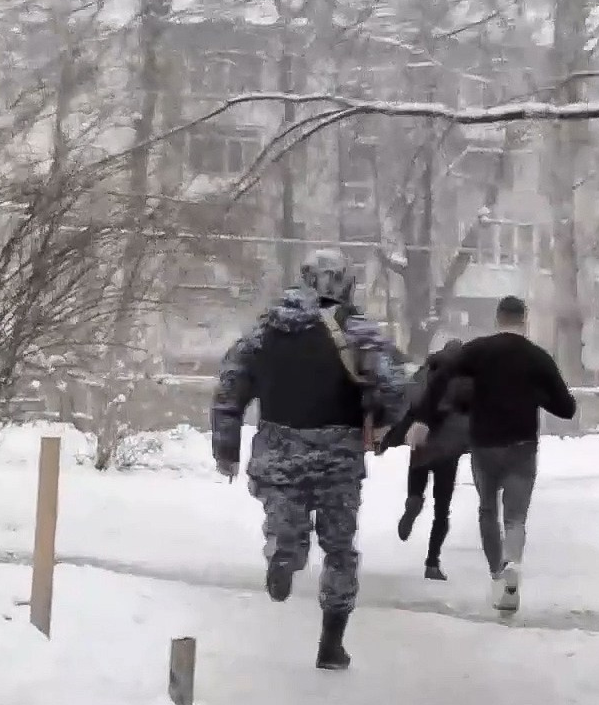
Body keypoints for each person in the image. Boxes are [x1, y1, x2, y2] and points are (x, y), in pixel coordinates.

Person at [209, 249, 406, 670]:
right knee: (339, 550)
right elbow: (393, 386)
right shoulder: (357, 330)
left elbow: (229, 388)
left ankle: (284, 551)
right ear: (345, 282)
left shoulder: (265, 330)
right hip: (338, 458)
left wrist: (226, 447)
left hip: (279, 453)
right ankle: (331, 645)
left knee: (286, 520)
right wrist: (381, 421)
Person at [415, 295, 575, 613]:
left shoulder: (478, 350)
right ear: (524, 320)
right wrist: (536, 394)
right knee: (515, 517)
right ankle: (512, 562)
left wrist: (423, 417)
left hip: (484, 444)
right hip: (522, 446)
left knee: (488, 510)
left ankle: (497, 575)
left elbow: (442, 374)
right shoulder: (537, 357)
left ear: (498, 318)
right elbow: (566, 407)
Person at [380, 339, 471, 580]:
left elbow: (410, 400)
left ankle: (413, 501)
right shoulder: (466, 377)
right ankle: (432, 562)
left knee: (417, 484)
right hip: (449, 448)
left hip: (421, 440)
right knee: (442, 509)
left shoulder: (426, 371)